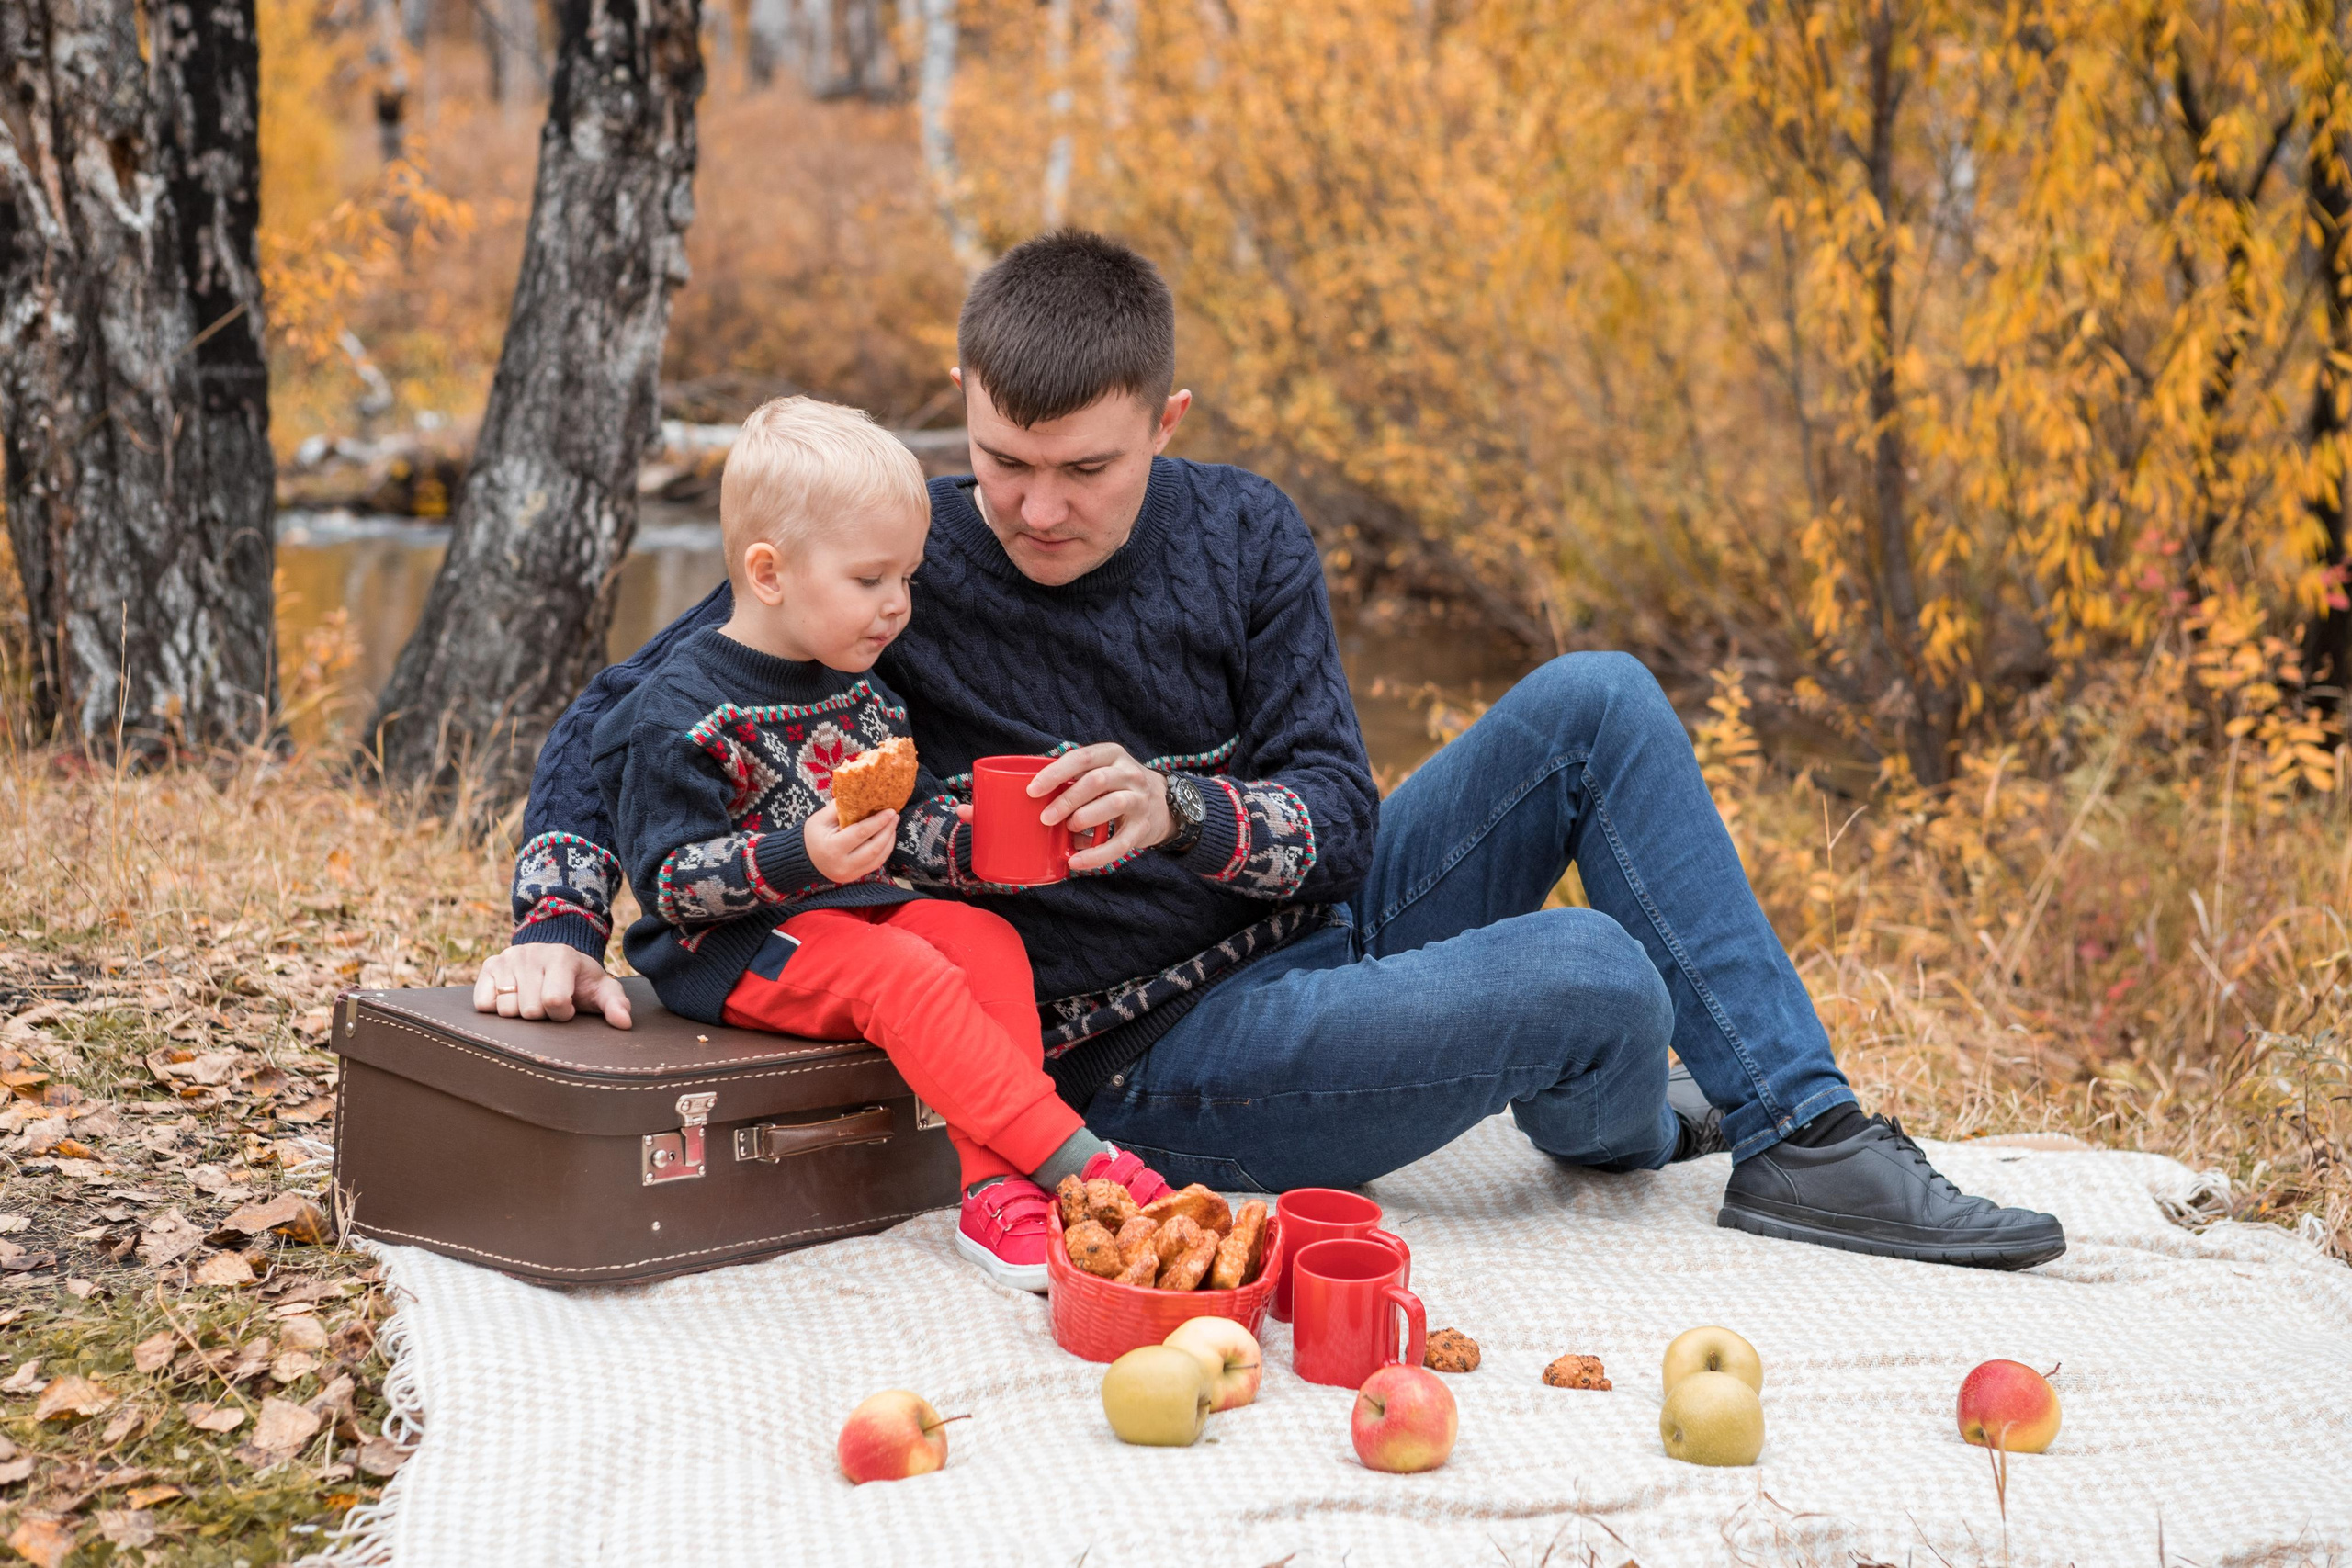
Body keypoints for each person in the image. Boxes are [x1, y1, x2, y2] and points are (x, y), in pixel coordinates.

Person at [481, 230, 2066, 1272]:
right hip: (1153, 1052)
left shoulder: (1245, 534)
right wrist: (555, 918)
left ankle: (1802, 1136)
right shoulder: (891, 561)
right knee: (1595, 975)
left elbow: (1339, 817)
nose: (1036, 506)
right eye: (1004, 459)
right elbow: (623, 711)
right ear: (961, 406)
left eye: (1086, 468)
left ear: (1166, 420)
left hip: (1326, 924)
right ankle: (1629, 1109)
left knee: (1598, 695)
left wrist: (1180, 808)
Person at [584, 395, 1169, 1292]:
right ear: (769, 573)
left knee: (985, 939)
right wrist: (801, 857)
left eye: (908, 578)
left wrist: (992, 838)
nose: (897, 606)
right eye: (869, 580)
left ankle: (995, 1192)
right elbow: (669, 884)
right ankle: (1080, 1164)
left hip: (846, 913)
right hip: (731, 948)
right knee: (902, 974)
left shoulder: (865, 695)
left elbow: (910, 829)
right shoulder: (680, 711)